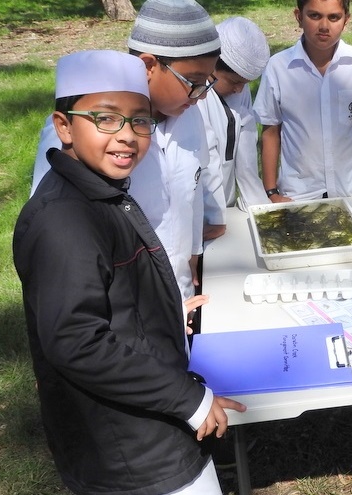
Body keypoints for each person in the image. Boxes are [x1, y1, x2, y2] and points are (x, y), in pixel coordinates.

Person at [13, 49, 246, 495]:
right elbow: (77, 339)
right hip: (135, 449)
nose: (126, 135)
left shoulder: (101, 190)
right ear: (63, 125)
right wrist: (190, 401)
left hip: (147, 423)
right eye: (104, 118)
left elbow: (110, 298)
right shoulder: (64, 220)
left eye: (139, 122)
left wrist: (167, 309)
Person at [31, 0, 222, 304]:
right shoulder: (79, 135)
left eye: (207, 84)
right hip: (120, 308)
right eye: (194, 83)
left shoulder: (190, 115)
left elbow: (194, 190)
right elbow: (52, 228)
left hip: (180, 295)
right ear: (148, 66)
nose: (200, 96)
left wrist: (194, 253)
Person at [253, 0, 352, 203]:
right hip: (299, 192)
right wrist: (271, 191)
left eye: (334, 17)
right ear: (299, 16)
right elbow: (271, 131)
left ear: (346, 20)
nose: (324, 26)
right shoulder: (278, 67)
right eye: (314, 16)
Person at [198, 16, 271, 242]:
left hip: (225, 206)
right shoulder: (197, 97)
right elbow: (207, 161)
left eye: (245, 83)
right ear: (211, 66)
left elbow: (247, 151)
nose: (240, 90)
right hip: (197, 209)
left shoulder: (240, 90)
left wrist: (259, 209)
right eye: (233, 82)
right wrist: (215, 217)